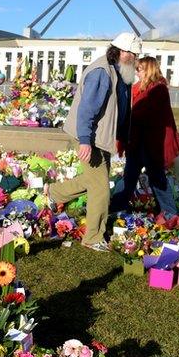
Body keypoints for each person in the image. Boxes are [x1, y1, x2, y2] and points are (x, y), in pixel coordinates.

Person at [46, 32, 141, 251]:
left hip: (100, 137)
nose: (136, 59)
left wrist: (121, 139)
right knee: (100, 189)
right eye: (134, 54)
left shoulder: (119, 71)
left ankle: (54, 193)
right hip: (90, 137)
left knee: (94, 180)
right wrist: (86, 141)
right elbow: (86, 110)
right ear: (123, 52)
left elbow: (120, 109)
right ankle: (93, 237)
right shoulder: (102, 73)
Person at [110, 56, 179, 217]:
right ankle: (116, 207)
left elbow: (146, 113)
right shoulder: (137, 88)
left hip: (151, 143)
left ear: (149, 70)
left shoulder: (159, 89)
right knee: (129, 177)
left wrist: (129, 114)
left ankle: (169, 213)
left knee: (157, 178)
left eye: (140, 69)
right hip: (136, 141)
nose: (137, 72)